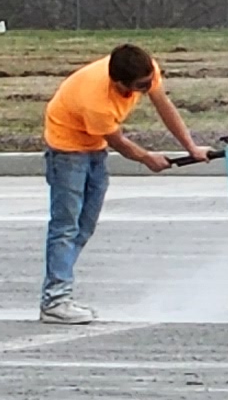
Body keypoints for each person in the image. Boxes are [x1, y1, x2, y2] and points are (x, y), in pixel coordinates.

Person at [38, 40, 208, 323]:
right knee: (66, 227)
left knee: (85, 226)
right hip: (67, 150)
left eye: (147, 83)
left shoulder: (146, 70)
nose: (145, 90)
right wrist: (147, 158)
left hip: (94, 149)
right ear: (118, 83)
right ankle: (55, 300)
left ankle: (59, 288)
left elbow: (164, 106)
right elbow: (120, 143)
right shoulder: (96, 101)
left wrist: (191, 147)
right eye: (139, 87)